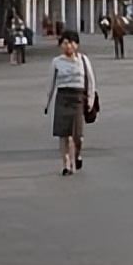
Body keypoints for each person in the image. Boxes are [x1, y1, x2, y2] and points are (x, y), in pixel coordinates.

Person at [43, 30, 97, 176]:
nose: (68, 46)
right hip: (63, 97)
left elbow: (91, 81)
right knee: (63, 134)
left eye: (71, 43)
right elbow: (50, 83)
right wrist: (47, 103)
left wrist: (90, 100)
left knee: (77, 135)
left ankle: (77, 154)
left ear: (77, 45)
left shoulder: (83, 60)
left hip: (78, 98)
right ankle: (66, 164)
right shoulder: (56, 62)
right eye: (65, 43)